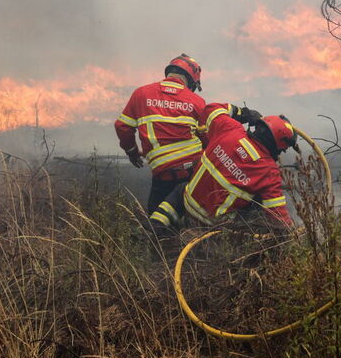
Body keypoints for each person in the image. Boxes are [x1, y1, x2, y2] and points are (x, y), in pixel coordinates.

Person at [114, 54, 259, 222]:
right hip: (193, 173)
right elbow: (207, 136)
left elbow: (122, 127)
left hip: (163, 176)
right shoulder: (196, 101)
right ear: (191, 80)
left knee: (157, 227)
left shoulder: (141, 94)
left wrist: (132, 152)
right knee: (196, 223)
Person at [149, 103, 299, 232]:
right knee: (257, 208)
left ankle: (155, 227)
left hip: (188, 203)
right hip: (215, 226)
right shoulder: (269, 171)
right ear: (277, 146)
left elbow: (211, 109)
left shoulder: (230, 129)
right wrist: (293, 234)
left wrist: (243, 113)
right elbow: (278, 219)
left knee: (181, 188)